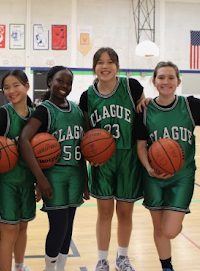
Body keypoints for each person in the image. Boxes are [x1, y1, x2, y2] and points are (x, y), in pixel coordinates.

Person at [135, 61, 200, 271]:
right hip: (153, 176)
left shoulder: (190, 105)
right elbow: (141, 145)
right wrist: (149, 168)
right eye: (161, 77)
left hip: (182, 176)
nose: (166, 82)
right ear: (154, 81)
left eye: (171, 78)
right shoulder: (145, 110)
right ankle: (167, 267)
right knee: (158, 228)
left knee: (169, 230)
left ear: (178, 81)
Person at [79, 47, 144, 271]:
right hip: (102, 161)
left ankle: (123, 258)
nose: (105, 66)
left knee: (125, 212)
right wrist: (90, 154)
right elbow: (86, 132)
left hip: (129, 158)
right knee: (104, 212)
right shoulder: (87, 95)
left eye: (110, 62)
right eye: (100, 62)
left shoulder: (132, 87)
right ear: (94, 67)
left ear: (117, 65)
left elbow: (144, 118)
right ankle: (102, 259)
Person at [18, 65, 87, 271]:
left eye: (68, 82)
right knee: (58, 227)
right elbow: (24, 140)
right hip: (54, 175)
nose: (64, 86)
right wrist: (40, 178)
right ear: (49, 82)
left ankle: (61, 268)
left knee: (68, 228)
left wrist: (85, 180)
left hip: (75, 174)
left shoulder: (76, 110)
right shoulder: (44, 110)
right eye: (60, 81)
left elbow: (82, 148)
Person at [0, 70, 35, 271]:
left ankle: (19, 265)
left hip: (27, 180)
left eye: (16, 85)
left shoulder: (35, 114)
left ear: (27, 85)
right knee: (9, 230)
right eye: (6, 87)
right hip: (6, 183)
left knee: (22, 227)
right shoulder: (3, 113)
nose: (11, 91)